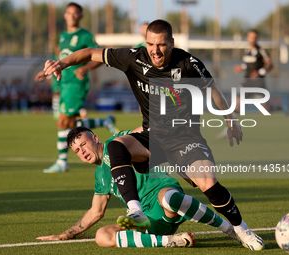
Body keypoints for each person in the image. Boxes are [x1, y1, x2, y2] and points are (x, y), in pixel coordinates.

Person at [42, 19, 264, 250]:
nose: (155, 50)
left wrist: (230, 119)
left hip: (185, 138)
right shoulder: (133, 57)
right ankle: (135, 210)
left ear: (171, 43)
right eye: (150, 44)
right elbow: (89, 53)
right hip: (153, 136)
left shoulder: (188, 63)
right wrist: (62, 63)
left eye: (161, 44)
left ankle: (241, 229)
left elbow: (213, 89)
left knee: (209, 184)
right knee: (115, 146)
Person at [36, 126, 242, 248]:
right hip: (147, 221)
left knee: (170, 199)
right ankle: (170, 240)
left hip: (164, 195)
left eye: (83, 144)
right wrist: (66, 234)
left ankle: (229, 228)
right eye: (77, 151)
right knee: (102, 236)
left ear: (95, 139)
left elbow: (142, 129)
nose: (82, 152)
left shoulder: (117, 143)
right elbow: (95, 211)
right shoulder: (100, 177)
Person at [38, 2, 117, 173]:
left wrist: (87, 67)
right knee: (72, 124)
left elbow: (100, 55)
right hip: (64, 83)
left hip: (76, 84)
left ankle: (62, 161)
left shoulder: (85, 36)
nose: (72, 16)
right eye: (69, 13)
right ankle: (105, 121)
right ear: (65, 15)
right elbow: (59, 57)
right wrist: (45, 72)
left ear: (80, 16)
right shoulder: (63, 36)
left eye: (75, 14)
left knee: (62, 121)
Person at [217, 29, 273, 139]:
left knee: (264, 109)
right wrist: (241, 67)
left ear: (257, 39)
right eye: (251, 37)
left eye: (255, 37)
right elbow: (249, 65)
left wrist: (260, 72)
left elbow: (270, 64)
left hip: (258, 82)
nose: (252, 39)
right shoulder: (247, 50)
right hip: (246, 81)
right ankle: (230, 128)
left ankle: (282, 109)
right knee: (236, 104)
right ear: (247, 38)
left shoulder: (261, 50)